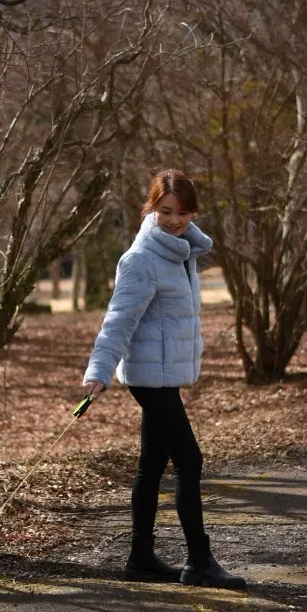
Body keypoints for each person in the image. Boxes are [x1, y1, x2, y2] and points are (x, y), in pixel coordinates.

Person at [82, 170, 246, 590]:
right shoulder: (141, 259)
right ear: (151, 207)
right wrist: (99, 370)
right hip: (147, 378)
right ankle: (199, 561)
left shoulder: (181, 250)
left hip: (162, 376)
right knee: (189, 460)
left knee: (152, 464)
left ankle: (140, 558)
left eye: (184, 212)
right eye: (166, 211)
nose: (175, 220)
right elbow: (118, 320)